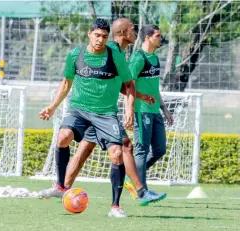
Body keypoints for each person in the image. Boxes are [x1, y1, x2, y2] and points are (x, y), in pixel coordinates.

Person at [38, 18, 135, 218]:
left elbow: (129, 84)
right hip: (79, 110)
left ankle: (115, 207)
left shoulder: (115, 56)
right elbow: (66, 83)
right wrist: (52, 106)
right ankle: (59, 185)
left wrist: (129, 111)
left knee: (117, 153)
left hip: (106, 114)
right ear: (89, 34)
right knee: (63, 136)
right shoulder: (75, 54)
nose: (100, 40)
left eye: (104, 37)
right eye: (97, 35)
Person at [62, 18, 166, 205]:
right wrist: (129, 109)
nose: (136, 33)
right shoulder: (111, 50)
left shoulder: (118, 53)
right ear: (123, 33)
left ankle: (63, 188)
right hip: (98, 112)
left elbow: (120, 85)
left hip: (97, 112)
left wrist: (139, 96)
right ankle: (140, 191)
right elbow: (118, 82)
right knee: (125, 146)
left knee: (85, 150)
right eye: (133, 29)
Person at [127, 24, 174, 191]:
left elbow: (154, 88)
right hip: (142, 111)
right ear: (147, 37)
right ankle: (142, 191)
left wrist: (164, 108)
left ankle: (132, 177)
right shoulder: (138, 58)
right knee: (141, 151)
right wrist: (129, 111)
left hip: (155, 112)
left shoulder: (154, 59)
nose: (161, 39)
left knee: (160, 149)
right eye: (158, 36)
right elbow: (128, 86)